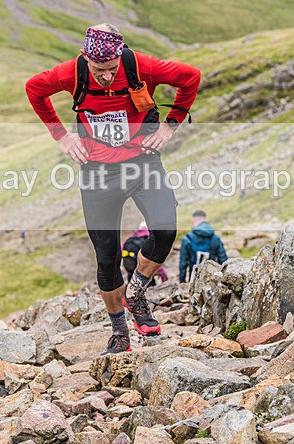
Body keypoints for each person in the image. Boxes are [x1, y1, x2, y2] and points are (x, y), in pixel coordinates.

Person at [26, 23, 200, 355]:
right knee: (107, 257)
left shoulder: (141, 67)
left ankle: (136, 294)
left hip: (142, 162)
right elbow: (34, 88)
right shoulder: (71, 73)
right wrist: (61, 136)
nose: (104, 77)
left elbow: (190, 77)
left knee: (165, 230)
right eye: (97, 70)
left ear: (120, 56)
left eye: (110, 70)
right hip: (97, 172)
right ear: (85, 58)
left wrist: (170, 125)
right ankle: (119, 332)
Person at [179, 210, 228, 283]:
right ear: (205, 220)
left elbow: (183, 264)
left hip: (194, 280)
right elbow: (223, 260)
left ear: (193, 221)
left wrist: (182, 282)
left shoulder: (187, 239)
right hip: (212, 280)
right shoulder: (215, 238)